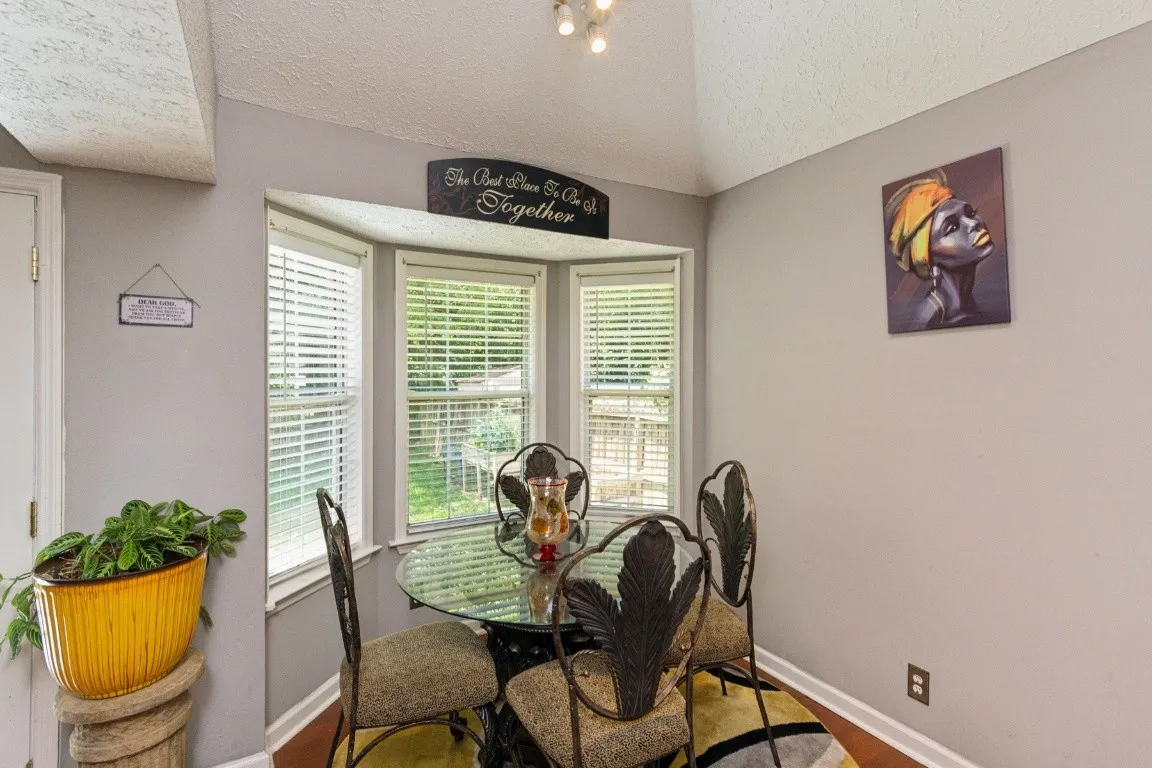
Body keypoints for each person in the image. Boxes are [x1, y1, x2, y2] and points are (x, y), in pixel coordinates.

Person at [885, 170, 995, 330]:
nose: (973, 223)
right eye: (952, 227)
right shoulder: (929, 321)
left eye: (970, 213)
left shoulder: (965, 305)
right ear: (927, 259)